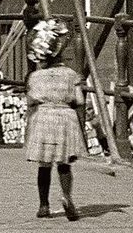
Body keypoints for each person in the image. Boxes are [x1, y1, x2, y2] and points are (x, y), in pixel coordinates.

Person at [22, 18, 88, 221]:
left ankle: (43, 205)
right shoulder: (70, 74)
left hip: (43, 117)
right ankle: (67, 196)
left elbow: (31, 100)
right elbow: (79, 100)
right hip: (64, 118)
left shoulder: (35, 77)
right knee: (64, 163)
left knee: (44, 164)